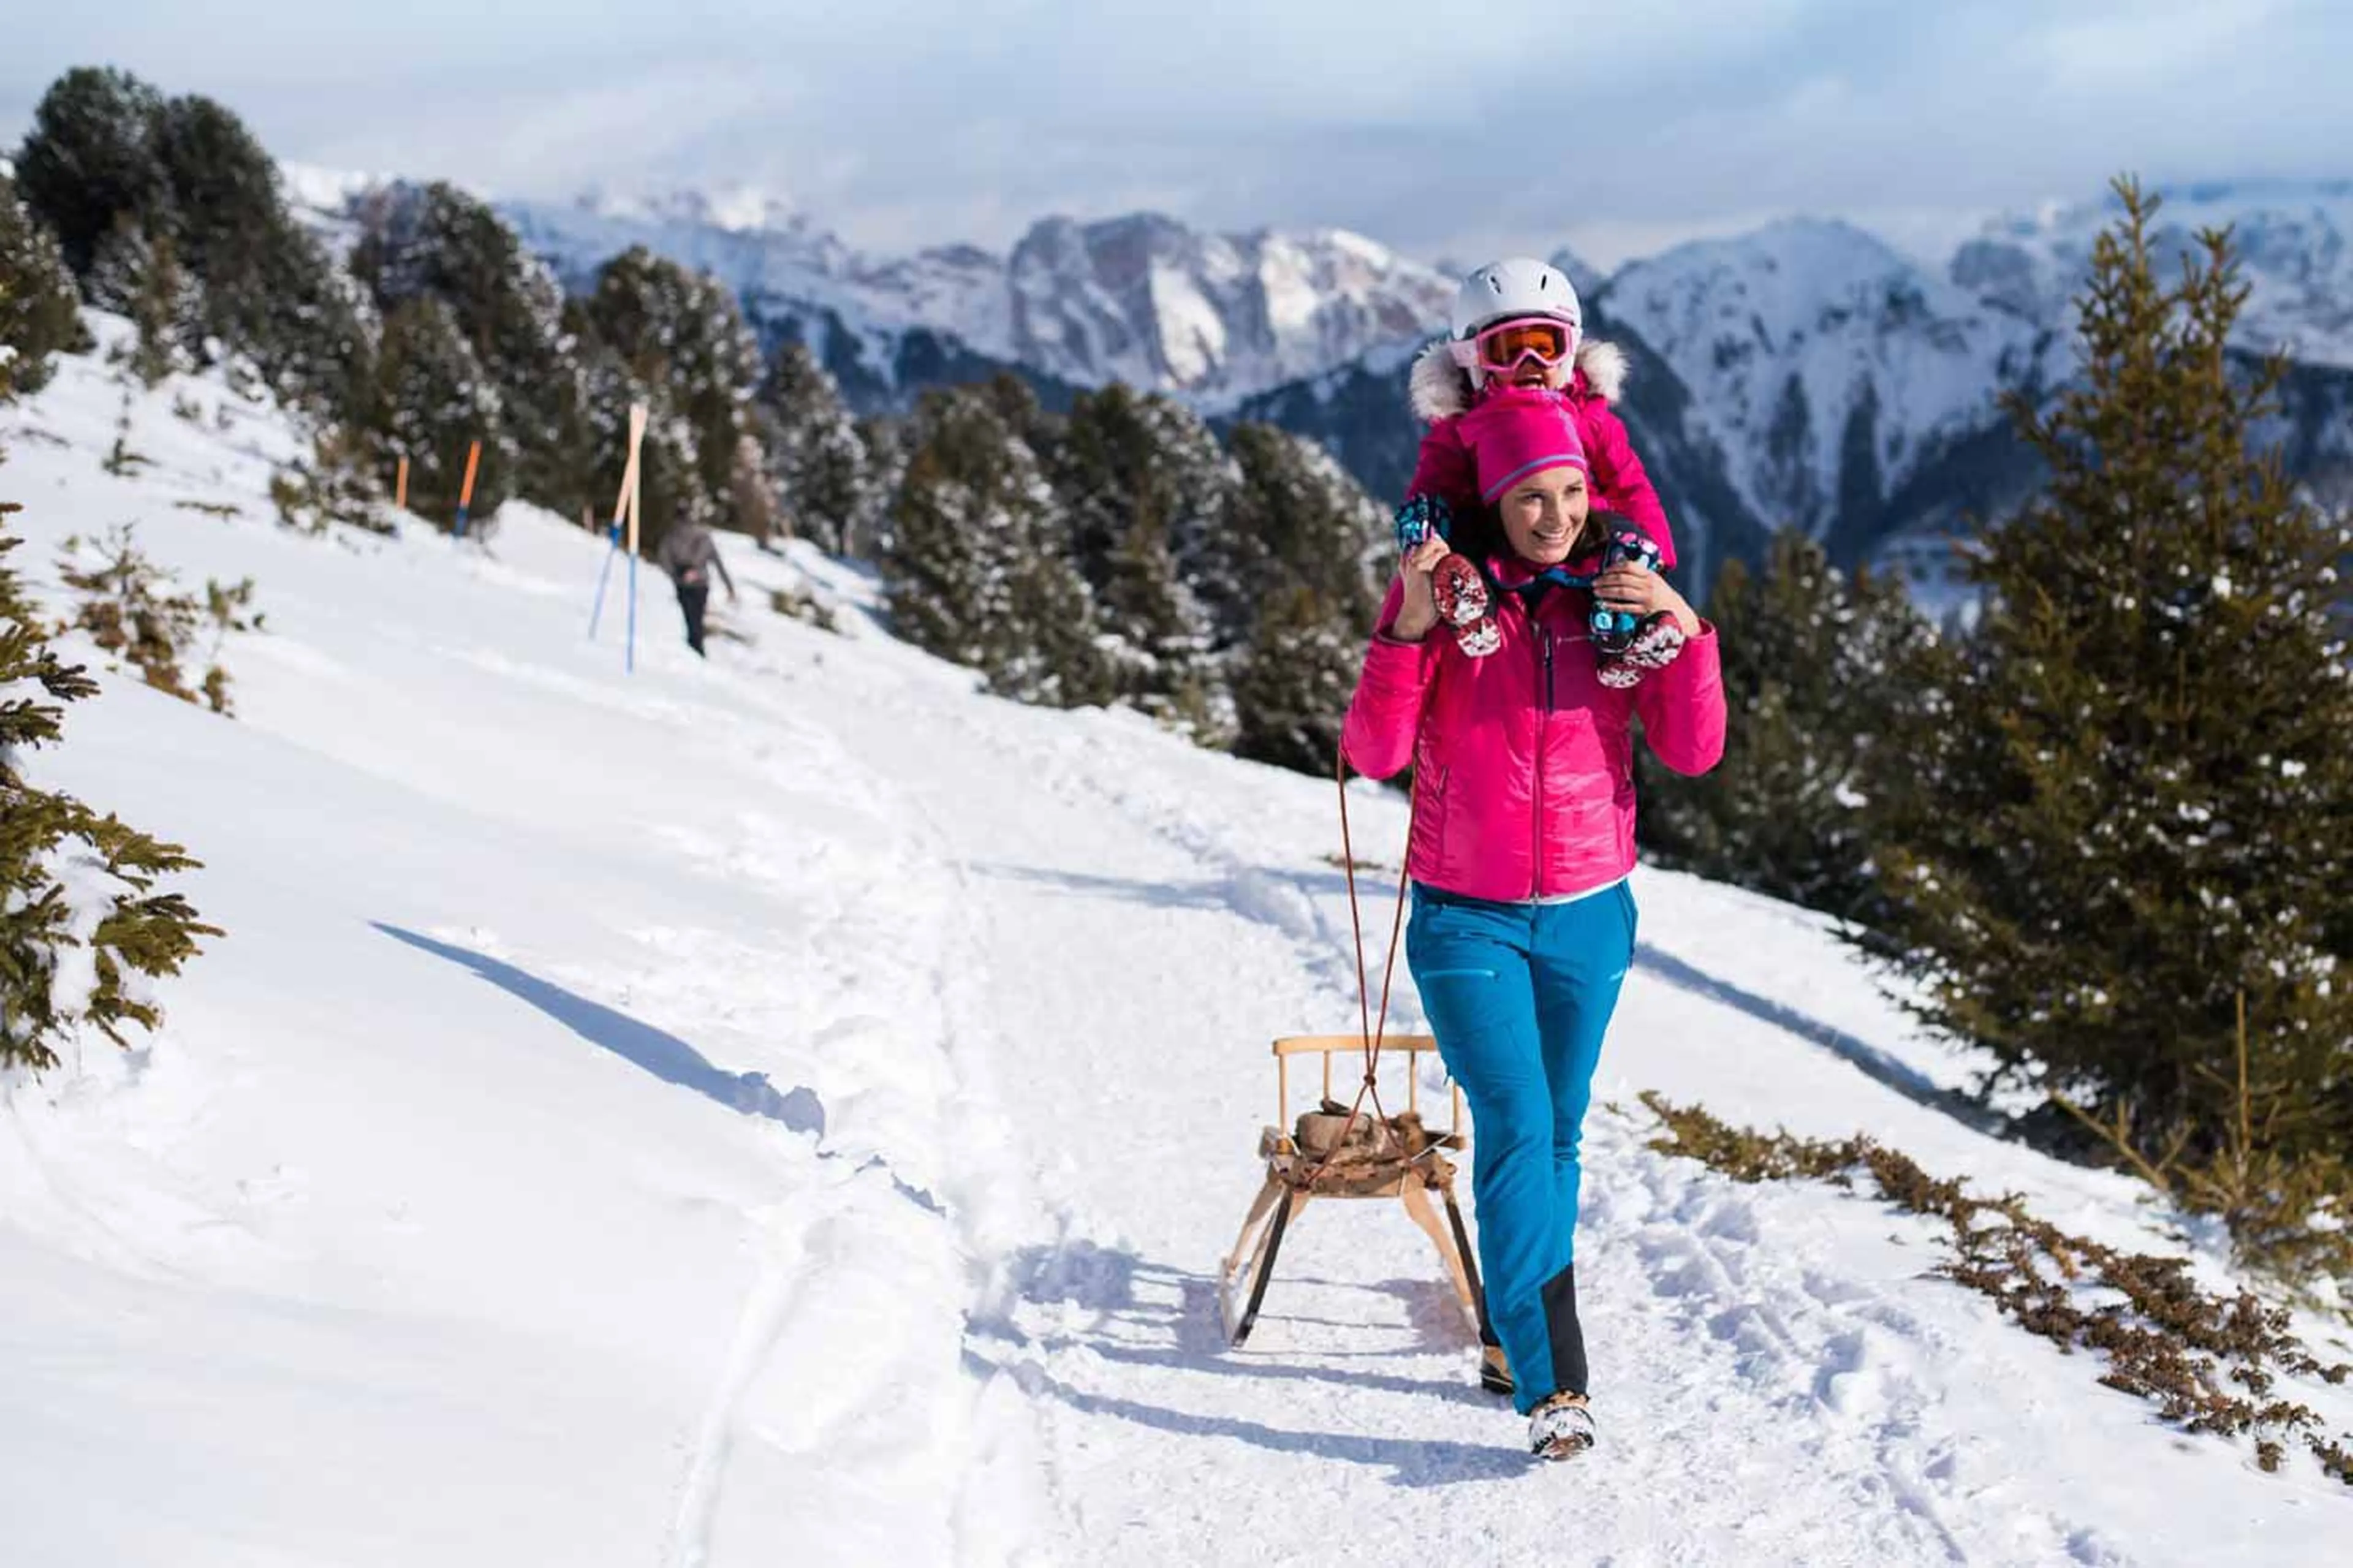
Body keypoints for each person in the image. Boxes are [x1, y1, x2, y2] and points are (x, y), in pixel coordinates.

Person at [1340, 392, 1726, 1461]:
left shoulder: (1613, 608)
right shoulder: (1450, 600)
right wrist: (1410, 624)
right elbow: (1374, 751)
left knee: (1558, 1127)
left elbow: (1694, 750)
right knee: (1515, 1118)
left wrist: (1683, 626)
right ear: (1493, 504)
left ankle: (1514, 1328)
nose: (1553, 515)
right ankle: (1556, 1381)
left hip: (1592, 915)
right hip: (1468, 914)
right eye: (1529, 499)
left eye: (1568, 494)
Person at [1401, 258, 1684, 686]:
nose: (1529, 361)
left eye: (1545, 344)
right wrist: (1425, 542)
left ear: (1570, 350)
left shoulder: (1591, 419)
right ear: (1473, 360)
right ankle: (1473, 613)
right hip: (1497, 545)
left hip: (1581, 541)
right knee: (1461, 533)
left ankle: (1623, 640)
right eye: (1507, 349)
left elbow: (1632, 485)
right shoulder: (1459, 430)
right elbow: (1433, 485)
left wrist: (1654, 558)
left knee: (1624, 538)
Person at [655, 520, 738, 657]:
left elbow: (664, 559)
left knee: (689, 618)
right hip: (701, 584)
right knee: (696, 619)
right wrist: (729, 587)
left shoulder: (672, 536)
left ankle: (695, 651)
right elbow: (718, 564)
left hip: (683, 585)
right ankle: (697, 651)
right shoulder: (704, 539)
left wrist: (678, 575)